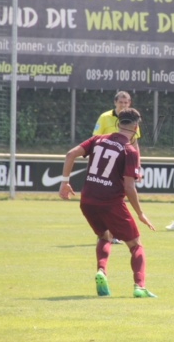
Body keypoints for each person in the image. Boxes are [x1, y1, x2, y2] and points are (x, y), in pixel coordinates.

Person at [59, 108, 157, 298]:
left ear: (118, 123)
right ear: (136, 127)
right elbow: (129, 187)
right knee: (136, 245)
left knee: (105, 236)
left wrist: (64, 182)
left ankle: (101, 271)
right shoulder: (129, 150)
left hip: (88, 200)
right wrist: (140, 213)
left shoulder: (98, 139)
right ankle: (140, 287)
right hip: (111, 203)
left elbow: (70, 154)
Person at [93, 91, 142, 244]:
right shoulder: (104, 117)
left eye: (126, 102)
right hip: (107, 164)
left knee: (118, 197)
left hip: (124, 163)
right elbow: (95, 138)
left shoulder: (132, 119)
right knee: (109, 196)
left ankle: (110, 233)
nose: (123, 105)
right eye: (121, 102)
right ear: (115, 102)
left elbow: (134, 143)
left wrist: (138, 165)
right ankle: (106, 232)